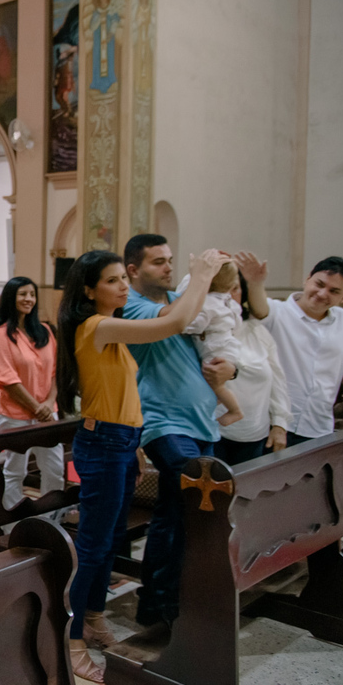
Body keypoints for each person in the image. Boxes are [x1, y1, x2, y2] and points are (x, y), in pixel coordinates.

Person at [56, 247, 228, 683]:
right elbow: (172, 323)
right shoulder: (96, 325)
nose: (123, 286)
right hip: (104, 444)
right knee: (94, 546)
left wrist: (133, 438)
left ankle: (93, 619)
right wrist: (202, 274)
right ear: (90, 290)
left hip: (121, 441)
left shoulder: (109, 328)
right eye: (113, 280)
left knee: (111, 540)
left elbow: (123, 394)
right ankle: (71, 640)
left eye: (122, 278)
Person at [121, 234, 236, 630]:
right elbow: (178, 323)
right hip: (163, 422)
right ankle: (159, 603)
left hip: (201, 421)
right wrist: (202, 276)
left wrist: (229, 368)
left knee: (177, 512)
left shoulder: (175, 304)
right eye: (158, 262)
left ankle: (173, 597)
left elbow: (216, 342)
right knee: (187, 501)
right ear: (133, 270)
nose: (169, 267)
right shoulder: (132, 307)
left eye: (171, 260)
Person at [238, 252, 343, 446]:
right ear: (307, 280)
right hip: (275, 425)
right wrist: (256, 283)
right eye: (319, 284)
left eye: (334, 291)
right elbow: (260, 309)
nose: (323, 294)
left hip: (319, 426)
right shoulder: (278, 312)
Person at [0, 277, 65, 510]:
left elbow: (55, 372)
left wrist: (49, 403)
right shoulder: (0, 336)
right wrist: (36, 407)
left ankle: (52, 518)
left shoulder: (45, 332)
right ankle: (14, 521)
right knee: (15, 470)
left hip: (47, 413)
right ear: (11, 297)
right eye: (22, 294)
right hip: (15, 414)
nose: (28, 299)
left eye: (32, 294)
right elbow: (7, 379)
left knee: (55, 468)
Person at [212, 270, 292, 464]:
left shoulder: (257, 330)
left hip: (255, 435)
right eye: (223, 289)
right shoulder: (201, 331)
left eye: (235, 289)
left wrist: (280, 425)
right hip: (213, 434)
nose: (229, 296)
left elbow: (278, 381)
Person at [176, 261, 245, 427]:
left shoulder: (208, 303)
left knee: (216, 383)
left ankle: (235, 411)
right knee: (218, 386)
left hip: (215, 349)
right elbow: (237, 323)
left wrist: (182, 327)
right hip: (229, 345)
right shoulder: (229, 301)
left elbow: (198, 324)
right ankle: (222, 399)